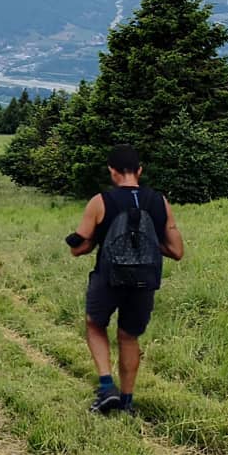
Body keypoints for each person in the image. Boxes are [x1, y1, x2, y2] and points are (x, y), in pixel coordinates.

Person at [66, 144, 184, 416]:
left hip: (108, 278)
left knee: (94, 325)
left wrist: (99, 237)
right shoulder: (159, 201)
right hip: (144, 281)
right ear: (139, 170)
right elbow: (177, 251)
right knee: (129, 336)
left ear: (112, 171)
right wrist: (150, 243)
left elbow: (78, 247)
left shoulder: (101, 201)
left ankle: (107, 387)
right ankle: (128, 402)